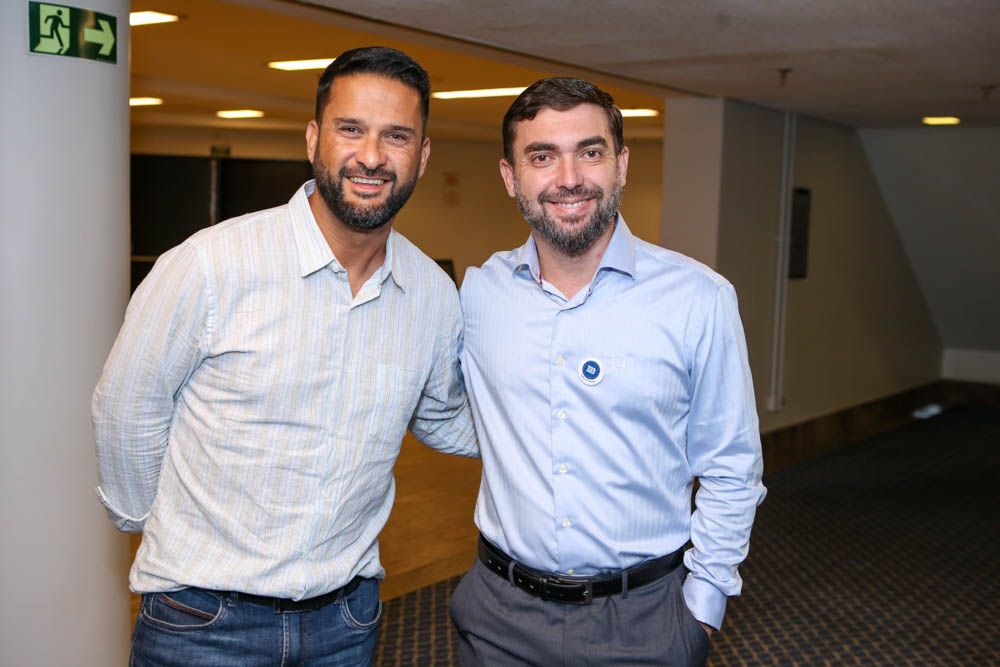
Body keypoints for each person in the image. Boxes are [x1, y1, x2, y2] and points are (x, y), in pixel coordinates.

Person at [92, 46, 477, 666]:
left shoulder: (431, 294)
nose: (372, 156)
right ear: (314, 138)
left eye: (396, 136)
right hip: (202, 620)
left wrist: (562, 420)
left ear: (422, 156)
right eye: (351, 129)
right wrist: (153, 525)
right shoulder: (210, 264)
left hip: (346, 621)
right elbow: (128, 406)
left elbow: (440, 415)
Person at [450, 77, 766, 666]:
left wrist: (702, 608)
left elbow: (732, 468)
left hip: (643, 622)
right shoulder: (478, 294)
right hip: (498, 617)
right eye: (542, 156)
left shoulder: (698, 299)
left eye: (590, 152)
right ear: (510, 176)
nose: (569, 178)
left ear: (620, 165)